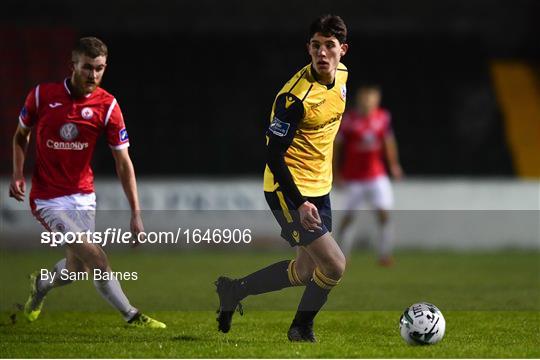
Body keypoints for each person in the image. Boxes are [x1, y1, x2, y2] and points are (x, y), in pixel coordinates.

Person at [9, 37, 165, 328]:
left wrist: (136, 213)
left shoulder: (107, 106)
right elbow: (20, 136)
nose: (93, 75)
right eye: (87, 68)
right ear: (73, 66)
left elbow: (123, 162)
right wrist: (18, 173)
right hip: (47, 199)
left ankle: (40, 286)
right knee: (97, 259)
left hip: (83, 196)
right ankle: (132, 315)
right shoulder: (42, 96)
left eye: (99, 68)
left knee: (76, 268)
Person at [215, 14, 348, 342]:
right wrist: (299, 202)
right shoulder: (294, 99)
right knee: (334, 265)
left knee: (304, 271)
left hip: (320, 187)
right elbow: (273, 156)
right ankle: (300, 328)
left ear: (342, 50)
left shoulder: (342, 76)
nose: (322, 53)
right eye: (316, 46)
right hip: (287, 190)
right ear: (308, 48)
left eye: (329, 46)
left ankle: (235, 290)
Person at [334, 85, 403, 266]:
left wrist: (394, 165)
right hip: (353, 178)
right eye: (365, 99)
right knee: (348, 217)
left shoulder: (383, 117)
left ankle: (385, 254)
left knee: (384, 214)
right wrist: (335, 173)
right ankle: (341, 255)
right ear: (359, 100)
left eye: (372, 99)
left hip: (376, 176)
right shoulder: (348, 120)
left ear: (376, 101)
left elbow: (389, 143)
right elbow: (337, 148)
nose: (368, 103)